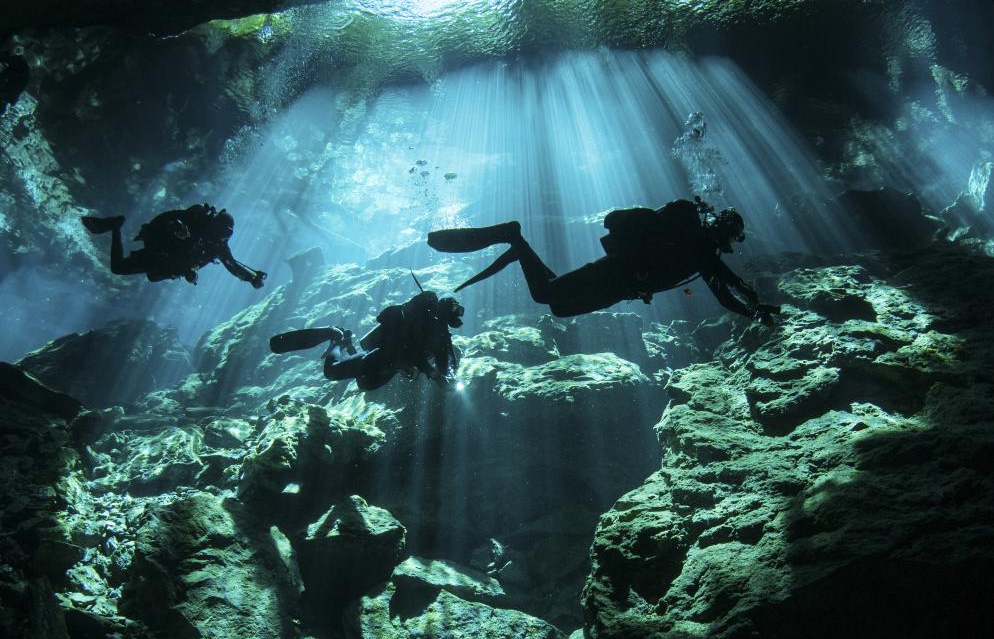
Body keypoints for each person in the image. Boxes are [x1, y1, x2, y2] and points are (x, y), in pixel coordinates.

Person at [427, 197, 779, 323]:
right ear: (723, 232)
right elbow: (726, 288)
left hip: (621, 288)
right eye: (731, 237)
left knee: (559, 308)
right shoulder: (700, 248)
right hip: (615, 272)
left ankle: (520, 250)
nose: (728, 244)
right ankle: (513, 236)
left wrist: (754, 307)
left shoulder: (703, 252)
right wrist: (753, 308)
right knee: (545, 295)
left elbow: (727, 286)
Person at [269, 290, 464, 392]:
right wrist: (435, 375)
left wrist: (448, 379)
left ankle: (348, 343)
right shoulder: (423, 322)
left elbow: (443, 365)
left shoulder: (442, 337)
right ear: (446, 307)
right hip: (383, 357)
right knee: (331, 371)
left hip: (391, 367)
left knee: (365, 385)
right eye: (456, 309)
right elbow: (413, 352)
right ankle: (334, 335)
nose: (459, 315)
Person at [80, 203, 266, 288]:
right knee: (118, 268)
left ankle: (115, 226)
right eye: (222, 233)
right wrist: (178, 231)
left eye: (227, 235)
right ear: (214, 226)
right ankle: (115, 226)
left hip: (165, 266)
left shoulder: (218, 246)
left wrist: (251, 278)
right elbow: (170, 221)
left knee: (119, 268)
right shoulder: (197, 223)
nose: (223, 238)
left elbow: (232, 265)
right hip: (160, 252)